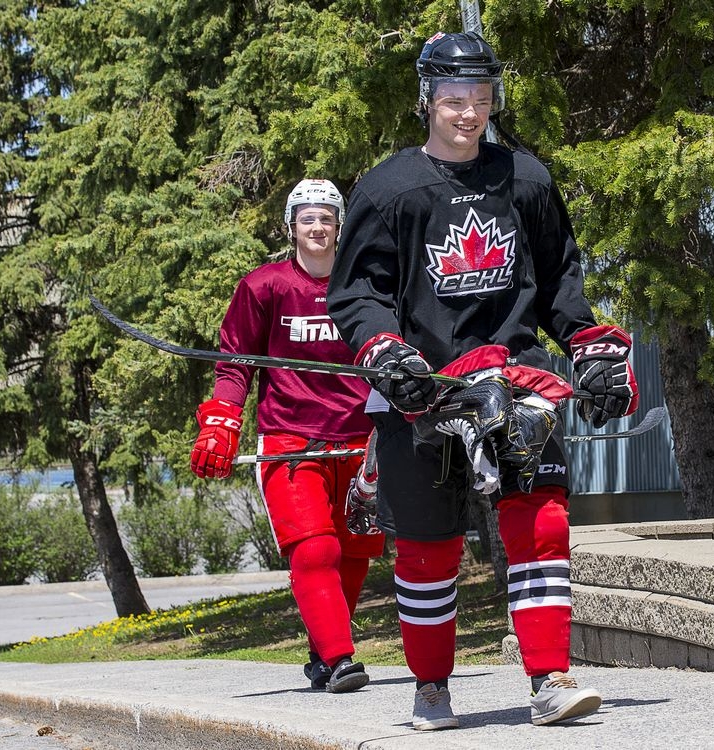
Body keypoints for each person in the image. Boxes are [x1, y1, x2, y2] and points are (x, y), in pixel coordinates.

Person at [327, 32, 639, 729]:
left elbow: (560, 279)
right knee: (429, 548)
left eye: (481, 99)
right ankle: (431, 687)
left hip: (514, 378)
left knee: (542, 518)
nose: (469, 113)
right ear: (427, 100)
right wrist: (385, 350)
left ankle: (550, 679)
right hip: (421, 389)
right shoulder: (387, 190)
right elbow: (356, 293)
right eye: (454, 99)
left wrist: (588, 345)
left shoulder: (524, 179)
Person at [190, 178, 385, 694]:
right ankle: (342, 658)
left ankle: (322, 651)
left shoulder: (367, 284)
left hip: (362, 440)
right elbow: (235, 362)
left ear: (339, 225)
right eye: (307, 218)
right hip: (290, 439)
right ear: (291, 227)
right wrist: (221, 421)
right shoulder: (264, 286)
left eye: (326, 217)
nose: (317, 226)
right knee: (314, 549)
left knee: (356, 551)